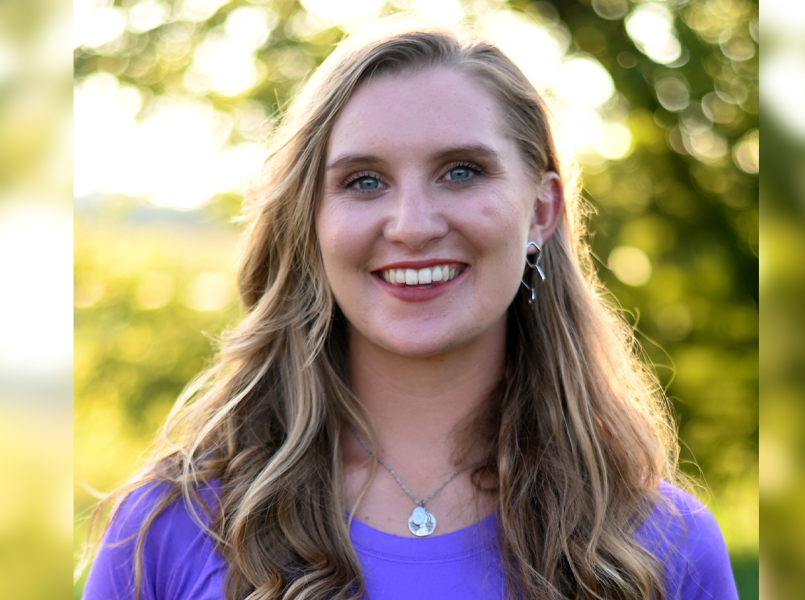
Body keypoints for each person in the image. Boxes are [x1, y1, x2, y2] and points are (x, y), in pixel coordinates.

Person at [81, 16, 739, 600]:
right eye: (364, 181)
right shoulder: (169, 531)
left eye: (461, 171)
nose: (414, 225)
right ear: (309, 223)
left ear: (542, 210)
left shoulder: (660, 544)